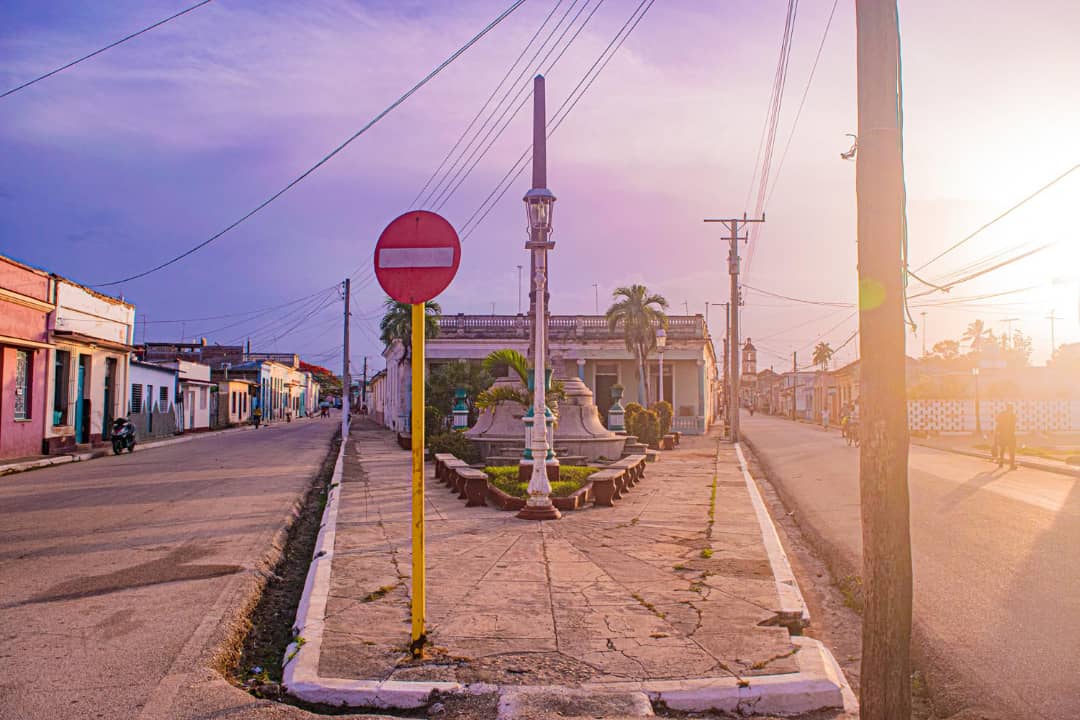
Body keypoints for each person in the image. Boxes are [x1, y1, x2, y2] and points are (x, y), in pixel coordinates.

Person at [997, 404, 1017, 469]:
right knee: (1012, 450)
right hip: (1010, 435)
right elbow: (1014, 424)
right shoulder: (1013, 415)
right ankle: (1011, 465)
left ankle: (1001, 463)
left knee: (1002, 449)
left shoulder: (1001, 414)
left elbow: (997, 421)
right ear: (1011, 409)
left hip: (1002, 434)